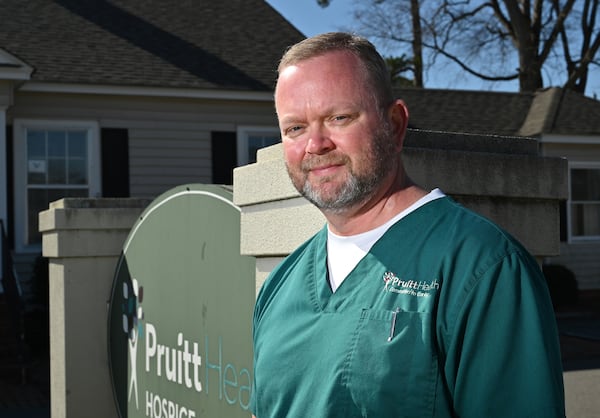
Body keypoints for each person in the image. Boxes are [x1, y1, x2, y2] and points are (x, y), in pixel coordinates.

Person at [250, 32, 565, 417]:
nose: (315, 144)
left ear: (395, 125)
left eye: (339, 117)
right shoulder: (280, 287)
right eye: (295, 128)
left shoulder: (483, 267)